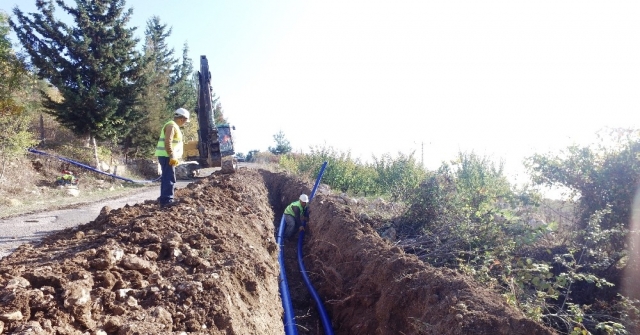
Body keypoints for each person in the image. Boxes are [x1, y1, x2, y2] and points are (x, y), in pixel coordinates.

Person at [155, 108, 190, 208]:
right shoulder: (171, 126)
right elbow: (167, 142)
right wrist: (172, 155)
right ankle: (167, 201)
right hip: (166, 156)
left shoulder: (173, 126)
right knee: (169, 178)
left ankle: (165, 199)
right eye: (185, 121)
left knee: (168, 177)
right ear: (181, 119)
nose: (185, 123)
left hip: (167, 156)